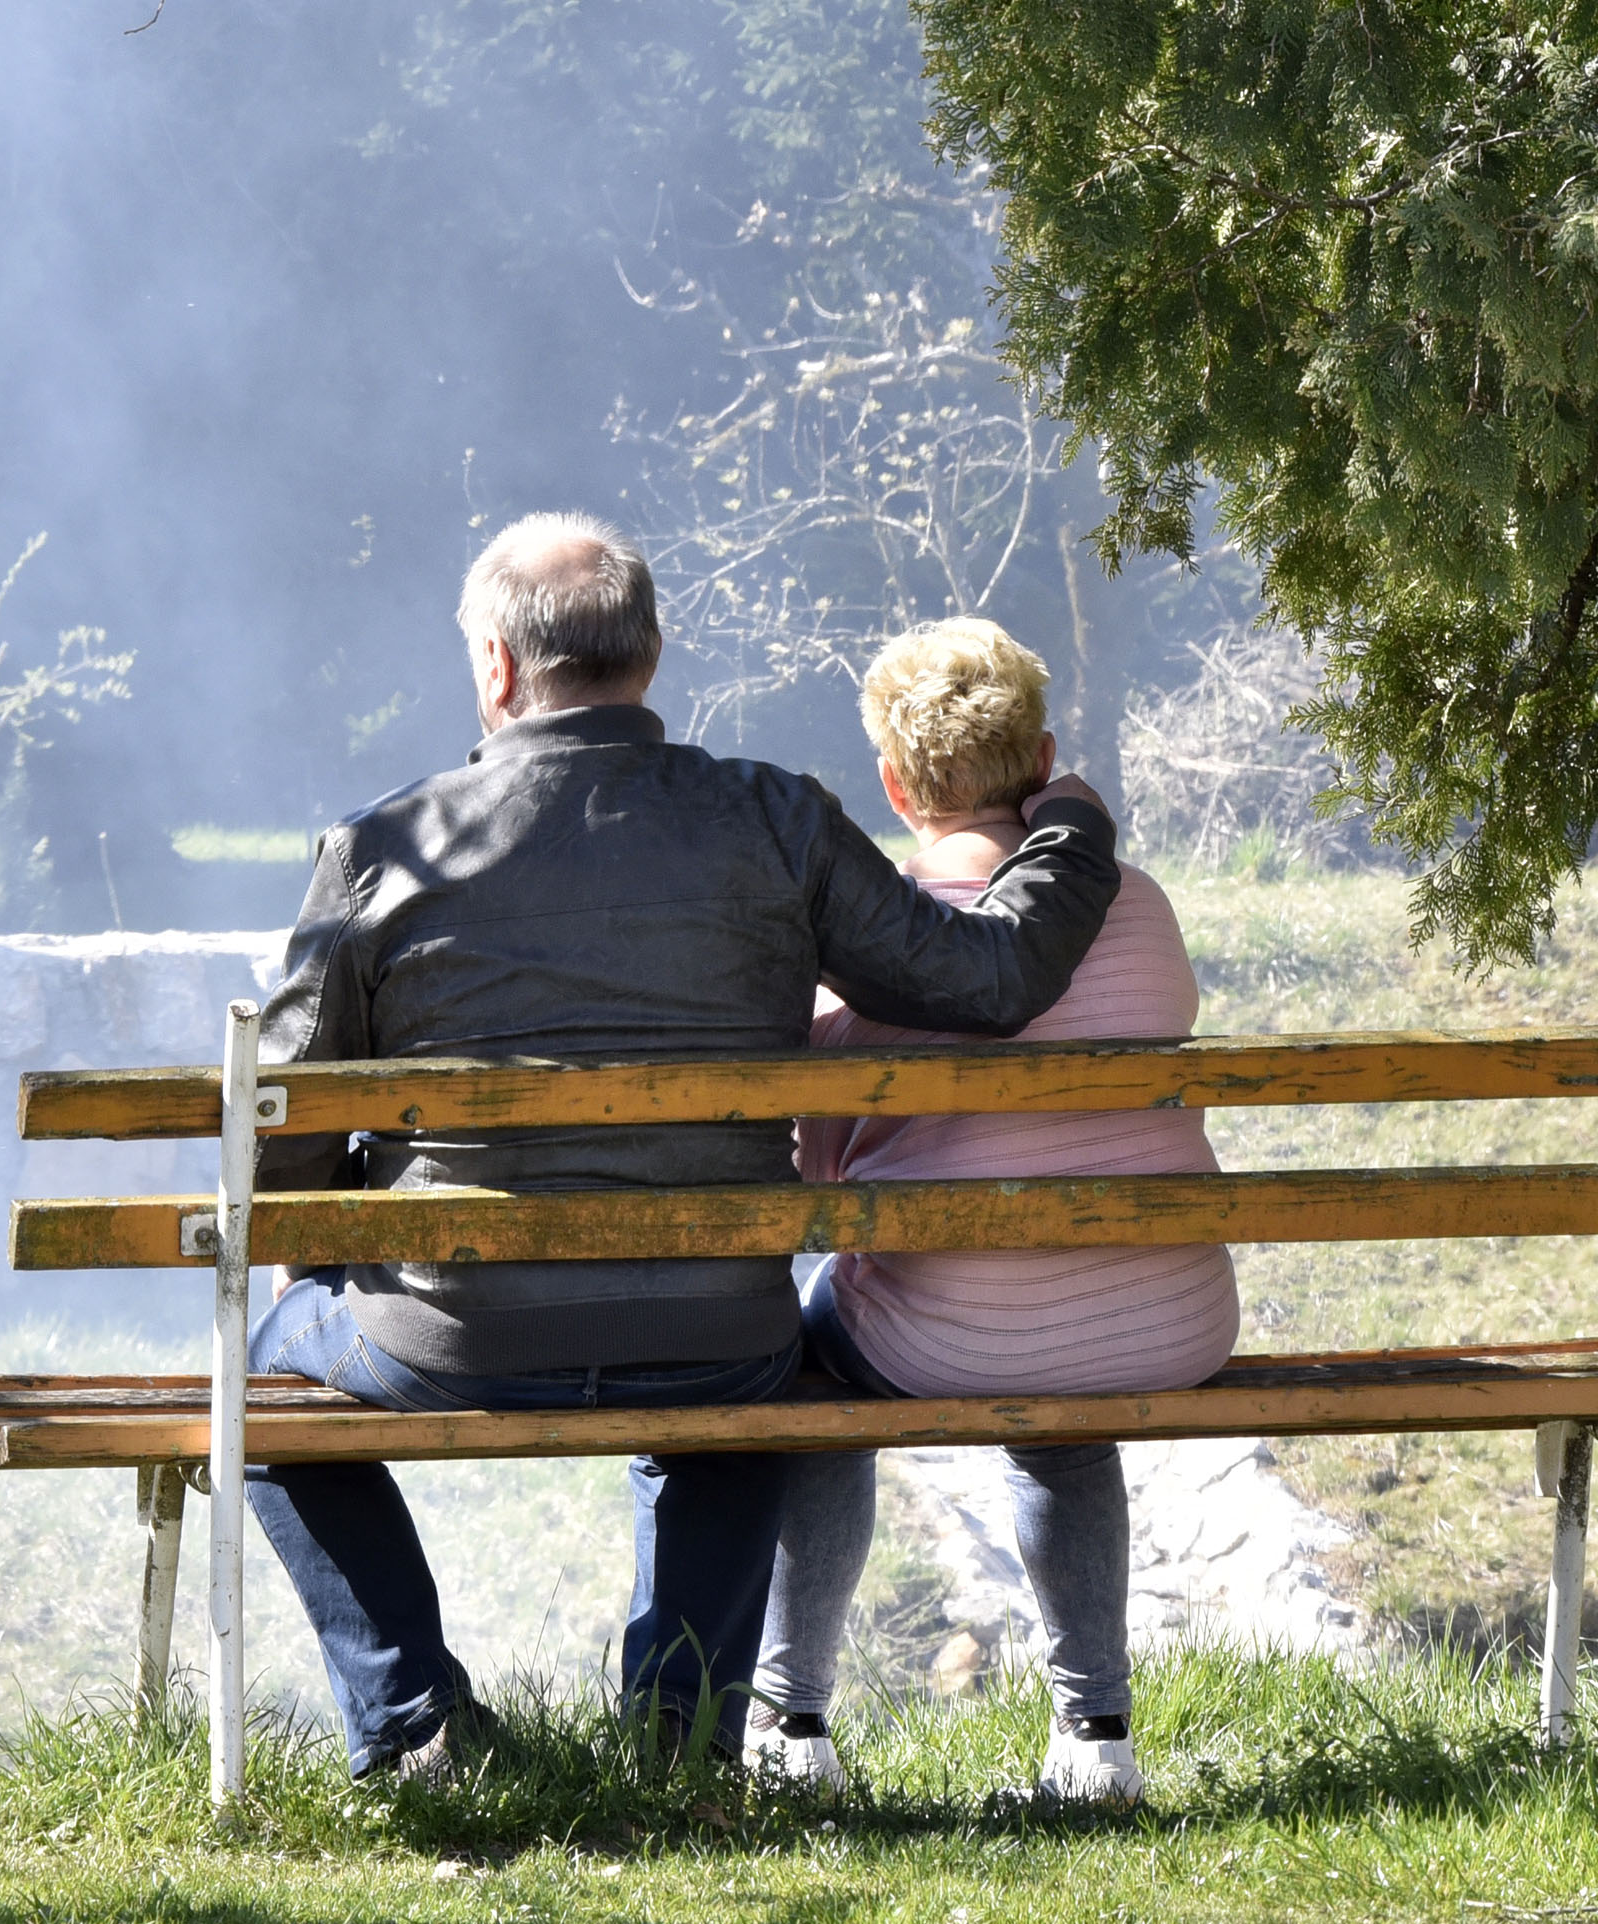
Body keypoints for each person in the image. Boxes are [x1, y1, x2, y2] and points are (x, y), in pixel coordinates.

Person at [246, 515, 1125, 1779]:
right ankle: (679, 1732)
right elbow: (987, 979)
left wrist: (318, 1256)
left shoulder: (383, 849)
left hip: (456, 1329)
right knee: (743, 1381)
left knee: (265, 1389)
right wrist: (1068, 827)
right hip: (720, 1318)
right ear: (650, 657)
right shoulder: (773, 818)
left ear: (496, 669)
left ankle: (415, 1720)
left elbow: (288, 1124)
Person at [745, 616, 1237, 1809]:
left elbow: (818, 1189)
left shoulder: (882, 932)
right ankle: (1095, 1741)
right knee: (1065, 1405)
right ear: (1046, 752)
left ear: (897, 784)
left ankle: (788, 1722)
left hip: (950, 1330)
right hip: (1170, 1314)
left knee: (814, 1371)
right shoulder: (1145, 905)